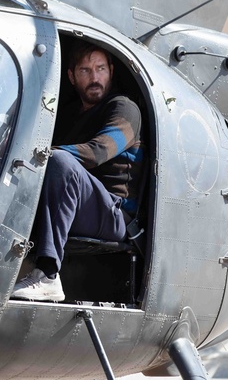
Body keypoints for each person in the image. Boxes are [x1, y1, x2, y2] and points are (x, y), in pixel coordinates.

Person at [11, 43, 144, 301]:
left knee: (59, 162)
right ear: (71, 76)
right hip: (73, 207)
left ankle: (47, 276)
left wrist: (41, 154)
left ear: (111, 70)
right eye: (85, 70)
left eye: (100, 69)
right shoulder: (67, 115)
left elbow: (97, 152)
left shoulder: (123, 109)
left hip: (114, 214)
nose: (94, 77)